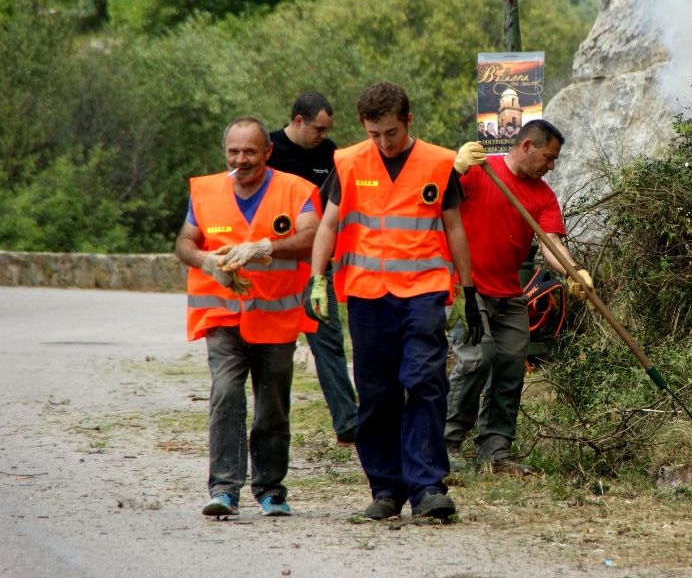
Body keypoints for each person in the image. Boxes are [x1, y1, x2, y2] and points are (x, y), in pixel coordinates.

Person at [306, 81, 484, 521]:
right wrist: (316, 280)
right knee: (377, 393)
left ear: (408, 120)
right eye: (374, 134)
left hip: (424, 292)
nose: (384, 143)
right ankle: (386, 488)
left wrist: (468, 290)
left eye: (391, 132)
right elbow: (328, 224)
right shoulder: (348, 162)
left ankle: (428, 488)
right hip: (367, 295)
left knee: (425, 382)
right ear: (362, 126)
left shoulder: (438, 163)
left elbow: (454, 228)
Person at [174, 117, 321, 518]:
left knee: (272, 404)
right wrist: (204, 260)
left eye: (250, 152)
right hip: (222, 316)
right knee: (225, 393)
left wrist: (266, 247)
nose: (241, 160)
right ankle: (224, 489)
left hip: (275, 319)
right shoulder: (205, 191)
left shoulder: (297, 190)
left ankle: (271, 489)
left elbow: (313, 236)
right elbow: (185, 241)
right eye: (234, 152)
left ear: (268, 152)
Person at [445, 120, 594, 474]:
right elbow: (432, 199)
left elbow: (551, 243)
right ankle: (445, 443)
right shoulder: (480, 171)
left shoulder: (543, 196)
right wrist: (454, 169)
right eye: (548, 157)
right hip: (466, 288)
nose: (551, 166)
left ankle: (495, 453)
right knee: (477, 358)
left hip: (510, 294)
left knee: (510, 370)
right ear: (527, 146)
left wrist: (574, 271)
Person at [268, 92, 359, 445]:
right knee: (272, 352)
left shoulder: (329, 153)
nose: (324, 135)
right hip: (273, 267)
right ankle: (270, 425)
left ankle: (348, 423)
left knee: (329, 342)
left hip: (317, 268)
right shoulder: (268, 149)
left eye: (327, 130)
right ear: (298, 121)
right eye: (319, 129)